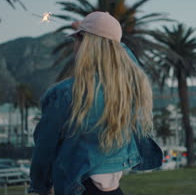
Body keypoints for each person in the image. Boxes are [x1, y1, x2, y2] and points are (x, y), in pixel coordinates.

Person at [29, 12, 163, 195]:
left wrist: (40, 187)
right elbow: (125, 54)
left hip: (80, 189)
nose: (74, 47)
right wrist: (102, 32)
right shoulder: (126, 91)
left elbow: (44, 151)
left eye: (76, 41)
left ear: (85, 44)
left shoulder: (65, 94)